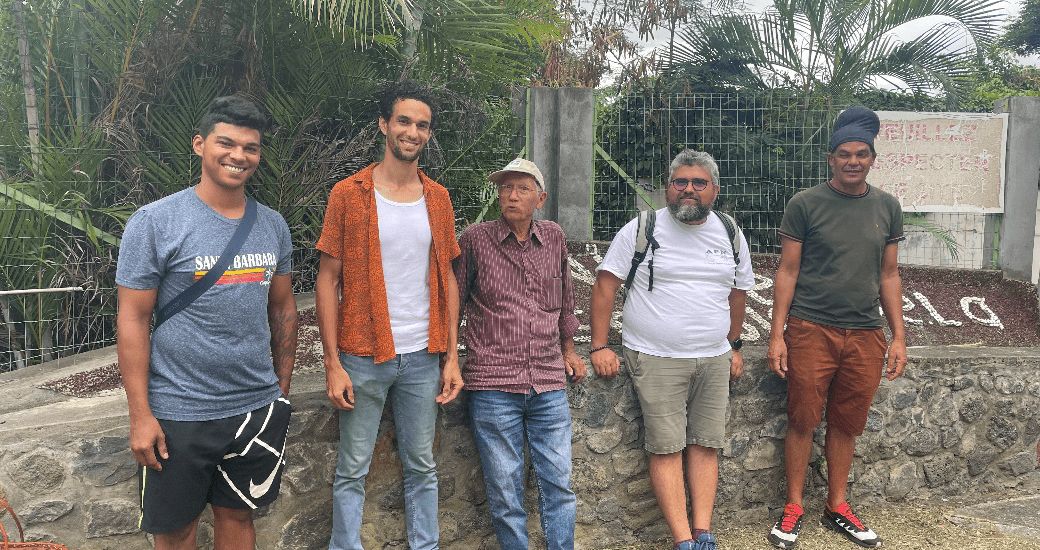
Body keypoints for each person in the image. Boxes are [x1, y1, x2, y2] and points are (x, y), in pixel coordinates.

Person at [116, 95, 298, 550]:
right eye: (226, 143)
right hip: (180, 410)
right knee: (175, 532)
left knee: (238, 519)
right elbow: (134, 319)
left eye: (251, 148)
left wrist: (280, 390)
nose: (239, 156)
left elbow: (282, 309)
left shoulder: (272, 225)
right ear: (199, 145)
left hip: (255, 407)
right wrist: (141, 415)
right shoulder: (156, 222)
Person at [315, 79, 463, 550]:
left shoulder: (438, 198)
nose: (413, 132)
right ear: (384, 125)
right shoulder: (349, 194)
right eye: (404, 121)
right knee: (352, 470)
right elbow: (327, 279)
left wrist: (452, 356)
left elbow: (448, 278)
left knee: (423, 467)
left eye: (422, 125)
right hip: (362, 355)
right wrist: (332, 362)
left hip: (422, 355)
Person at [589, 149, 753, 550]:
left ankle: (703, 532)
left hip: (714, 358)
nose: (689, 190)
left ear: (714, 189)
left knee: (705, 445)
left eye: (699, 183)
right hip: (655, 356)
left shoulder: (729, 232)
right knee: (666, 448)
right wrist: (598, 345)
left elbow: (737, 294)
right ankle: (682, 540)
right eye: (681, 182)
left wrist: (733, 346)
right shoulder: (643, 228)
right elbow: (605, 286)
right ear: (668, 188)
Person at [765, 106, 906, 549]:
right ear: (830, 159)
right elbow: (787, 271)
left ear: (872, 158)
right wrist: (777, 334)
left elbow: (889, 275)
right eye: (844, 154)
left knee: (847, 422)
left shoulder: (887, 206)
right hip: (811, 329)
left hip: (866, 334)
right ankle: (793, 506)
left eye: (861, 154)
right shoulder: (805, 204)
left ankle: (837, 505)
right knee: (803, 418)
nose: (853, 161)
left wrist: (898, 335)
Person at [453, 158, 586, 550]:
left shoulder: (555, 238)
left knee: (559, 483)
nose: (511, 195)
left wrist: (569, 350)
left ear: (540, 199)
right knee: (505, 491)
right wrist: (447, 359)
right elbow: (454, 304)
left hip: (547, 382)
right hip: (493, 382)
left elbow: (565, 301)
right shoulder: (476, 239)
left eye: (522, 189)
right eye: (505, 187)